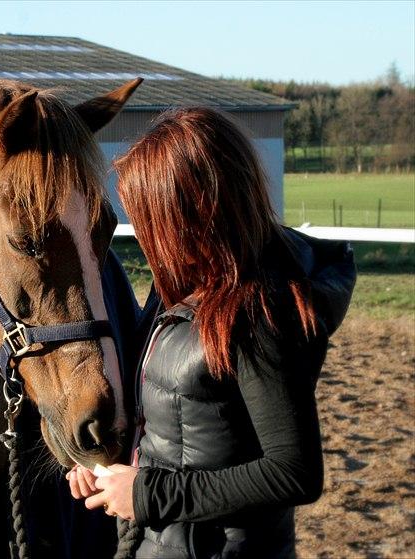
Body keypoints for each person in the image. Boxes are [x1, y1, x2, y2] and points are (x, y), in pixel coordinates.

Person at [66, 107, 356, 558]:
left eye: (148, 215)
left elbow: (294, 471)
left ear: (191, 214)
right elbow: (180, 430)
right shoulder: (178, 296)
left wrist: (147, 495)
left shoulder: (258, 314)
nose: (142, 233)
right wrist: (110, 469)